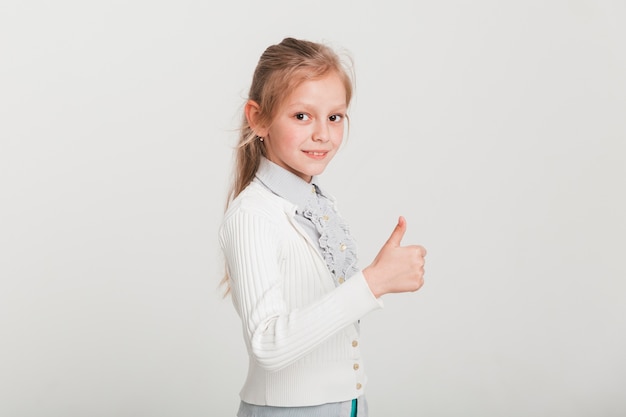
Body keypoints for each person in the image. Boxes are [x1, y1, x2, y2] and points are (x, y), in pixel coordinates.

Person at [219, 37, 426, 417]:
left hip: (348, 405)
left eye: (334, 117)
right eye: (302, 116)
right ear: (258, 118)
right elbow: (268, 344)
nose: (323, 135)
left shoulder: (319, 205)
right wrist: (374, 281)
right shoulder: (253, 214)